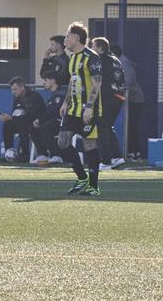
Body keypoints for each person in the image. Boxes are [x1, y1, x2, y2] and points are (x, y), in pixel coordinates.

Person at [57, 22, 102, 196]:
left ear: (76, 38)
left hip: (89, 109)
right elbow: (73, 81)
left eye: (67, 36)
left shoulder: (92, 57)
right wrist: (66, 102)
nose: (65, 39)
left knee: (89, 144)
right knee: (62, 142)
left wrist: (89, 107)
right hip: (73, 109)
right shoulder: (73, 58)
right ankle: (82, 177)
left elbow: (97, 82)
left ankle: (94, 186)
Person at [89, 37, 127, 168]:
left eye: (93, 46)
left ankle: (105, 161)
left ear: (100, 48)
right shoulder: (115, 59)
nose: (91, 48)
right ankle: (117, 157)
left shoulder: (99, 59)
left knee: (101, 128)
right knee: (108, 127)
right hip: (119, 97)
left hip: (107, 97)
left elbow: (96, 79)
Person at [0, 77, 45, 163]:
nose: (13, 92)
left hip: (35, 123)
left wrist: (13, 118)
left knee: (23, 124)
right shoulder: (17, 98)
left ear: (22, 87)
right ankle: (9, 153)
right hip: (21, 122)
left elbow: (31, 116)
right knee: (7, 124)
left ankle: (25, 154)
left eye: (15, 89)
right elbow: (14, 114)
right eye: (12, 90)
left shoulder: (35, 96)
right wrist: (7, 117)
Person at [115, 43, 145, 160]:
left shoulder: (123, 62)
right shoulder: (121, 61)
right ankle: (132, 151)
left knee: (131, 125)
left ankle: (134, 152)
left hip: (134, 100)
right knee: (130, 126)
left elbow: (128, 81)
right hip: (130, 99)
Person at [31, 75, 65, 164]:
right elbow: (48, 113)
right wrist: (39, 120)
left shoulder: (61, 94)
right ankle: (42, 154)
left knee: (46, 127)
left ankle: (57, 155)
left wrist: (40, 120)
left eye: (45, 80)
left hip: (62, 122)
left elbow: (54, 112)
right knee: (33, 127)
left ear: (53, 80)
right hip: (52, 122)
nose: (43, 83)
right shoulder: (52, 96)